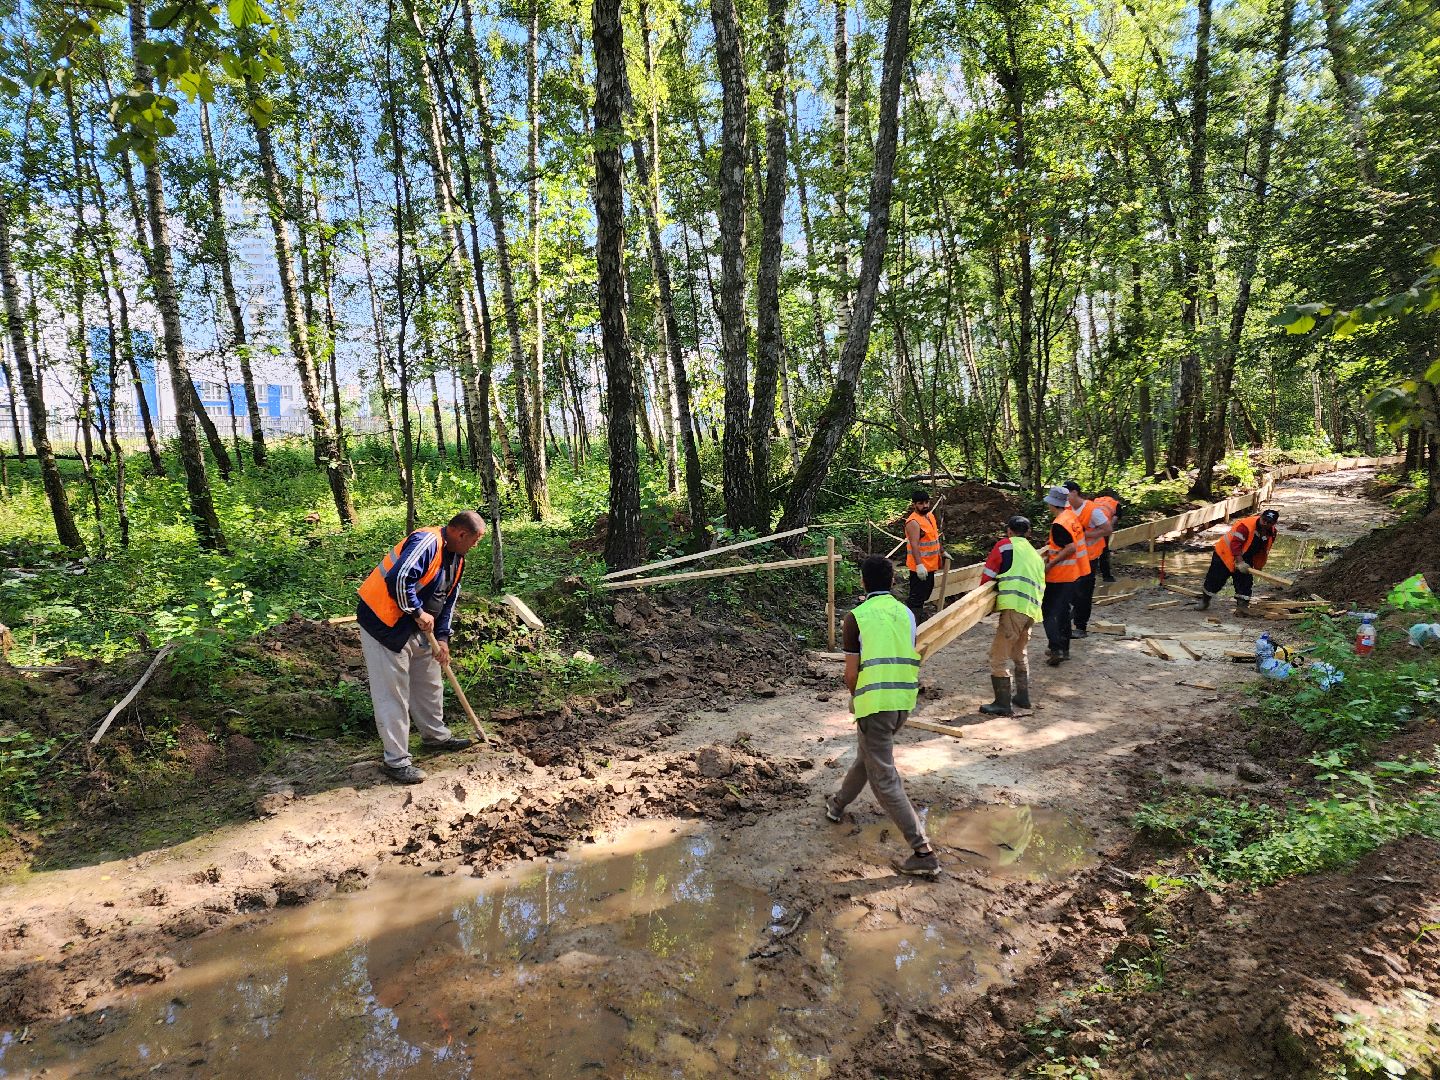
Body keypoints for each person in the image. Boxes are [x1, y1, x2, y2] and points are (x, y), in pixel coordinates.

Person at [824, 555, 940, 879]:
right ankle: (836, 805)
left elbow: (851, 674)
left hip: (875, 704)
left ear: (862, 582)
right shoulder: (906, 613)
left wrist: (856, 698)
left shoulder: (855, 618)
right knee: (867, 757)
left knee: (885, 780)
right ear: (893, 581)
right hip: (903, 701)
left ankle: (923, 852)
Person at [356, 511, 486, 783]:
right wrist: (416, 611)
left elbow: (446, 600)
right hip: (385, 624)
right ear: (461, 534)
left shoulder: (456, 559)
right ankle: (396, 761)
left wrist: (442, 638)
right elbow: (399, 579)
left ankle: (435, 737)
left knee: (430, 683)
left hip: (418, 627)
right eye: (475, 541)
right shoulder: (427, 543)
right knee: (393, 694)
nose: (475, 546)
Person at [978, 515, 1044, 716]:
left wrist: (981, 603)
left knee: (998, 656)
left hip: (1014, 608)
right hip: (1031, 610)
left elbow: (988, 573)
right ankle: (1023, 697)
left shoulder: (1005, 546)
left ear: (1009, 530)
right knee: (1019, 653)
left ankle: (1002, 704)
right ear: (1029, 533)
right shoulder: (1035, 555)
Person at [1040, 486, 1087, 667]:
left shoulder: (1059, 523)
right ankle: (1064, 649)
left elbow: (1070, 547)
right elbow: (1070, 542)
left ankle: (1056, 648)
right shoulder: (1071, 517)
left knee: (1048, 612)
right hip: (1073, 573)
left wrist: (1050, 564)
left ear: (1053, 503)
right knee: (1063, 612)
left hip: (1059, 575)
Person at [1201, 508, 1279, 613]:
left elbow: (1263, 550)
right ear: (1261, 517)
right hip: (1225, 554)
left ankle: (1242, 607)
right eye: (1264, 520)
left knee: (1245, 581)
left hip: (1246, 555)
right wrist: (1239, 561)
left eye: (1269, 522)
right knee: (1215, 579)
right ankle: (1205, 601)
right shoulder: (1246, 526)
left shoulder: (1272, 533)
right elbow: (1235, 544)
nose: (1265, 523)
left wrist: (1258, 566)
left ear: (1274, 523)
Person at [1065, 481, 1114, 639]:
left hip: (1089, 557)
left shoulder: (1092, 511)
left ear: (1075, 492)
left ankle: (1081, 627)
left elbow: (1107, 529)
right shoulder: (1067, 509)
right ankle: (1075, 610)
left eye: (1067, 493)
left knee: (1084, 592)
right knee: (1071, 588)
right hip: (1072, 555)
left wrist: (1085, 535)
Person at [903, 490, 944, 625]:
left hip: (931, 565)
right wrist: (919, 565)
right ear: (914, 504)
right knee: (917, 597)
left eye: (926, 502)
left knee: (926, 593)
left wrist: (942, 552)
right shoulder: (913, 522)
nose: (925, 505)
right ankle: (913, 623)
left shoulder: (930, 517)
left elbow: (934, 537)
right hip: (919, 568)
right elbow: (914, 545)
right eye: (921, 503)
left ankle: (917, 618)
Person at [1092, 490, 1121, 582]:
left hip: (1089, 524)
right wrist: (1107, 530)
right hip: (1102, 525)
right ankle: (1106, 576)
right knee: (1103, 551)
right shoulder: (1116, 504)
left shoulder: (1097, 500)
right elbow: (1113, 520)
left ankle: (1088, 573)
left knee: (1090, 550)